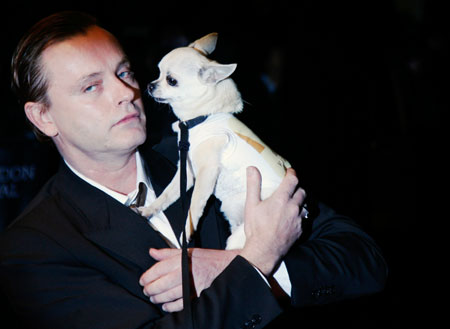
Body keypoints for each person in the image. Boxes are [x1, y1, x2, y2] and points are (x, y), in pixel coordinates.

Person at [0, 11, 387, 329]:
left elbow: (364, 259)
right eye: (91, 87)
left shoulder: (206, 142)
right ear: (43, 116)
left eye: (125, 72)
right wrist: (253, 264)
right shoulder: (35, 246)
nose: (127, 93)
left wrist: (232, 266)